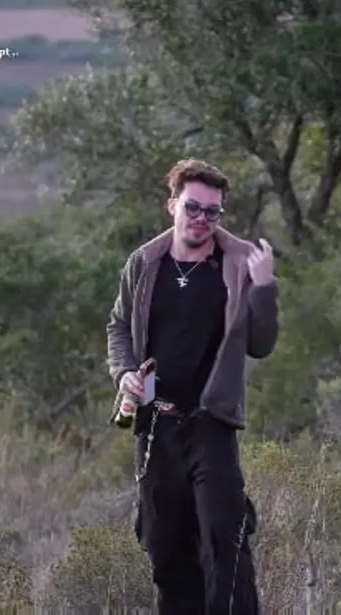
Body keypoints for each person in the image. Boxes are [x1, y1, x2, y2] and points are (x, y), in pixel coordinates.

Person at [106, 159, 279, 614]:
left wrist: (264, 288)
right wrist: (124, 370)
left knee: (225, 544)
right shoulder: (144, 264)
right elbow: (119, 326)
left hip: (211, 425)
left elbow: (261, 345)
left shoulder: (238, 263)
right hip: (155, 425)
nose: (201, 219)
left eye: (212, 212)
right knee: (166, 551)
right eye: (193, 208)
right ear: (172, 206)